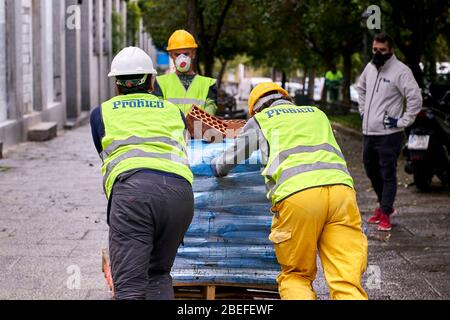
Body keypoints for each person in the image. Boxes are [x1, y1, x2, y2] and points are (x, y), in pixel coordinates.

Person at [211, 82, 368, 300]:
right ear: (287, 98)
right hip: (342, 194)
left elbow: (225, 163)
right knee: (346, 280)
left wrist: (212, 167)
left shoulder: (262, 120)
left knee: (296, 276)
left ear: (256, 108)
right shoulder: (317, 114)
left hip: (298, 196)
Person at [90, 47, 194, 300]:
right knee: (158, 274)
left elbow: (104, 151)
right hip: (180, 196)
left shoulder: (101, 114)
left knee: (130, 287)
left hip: (134, 196)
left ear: (116, 84)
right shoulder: (173, 111)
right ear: (151, 81)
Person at [357, 33, 422, 231]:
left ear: (391, 50)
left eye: (382, 50)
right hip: (369, 132)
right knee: (370, 170)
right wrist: (363, 111)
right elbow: (361, 89)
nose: (377, 53)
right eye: (375, 49)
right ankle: (385, 205)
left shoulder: (401, 71)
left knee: (387, 174)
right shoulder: (369, 67)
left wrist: (403, 121)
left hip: (389, 134)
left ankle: (385, 213)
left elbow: (415, 98)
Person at [153, 29, 218, 115]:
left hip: (198, 128)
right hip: (173, 129)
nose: (182, 59)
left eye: (186, 54)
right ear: (171, 55)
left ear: (193, 54)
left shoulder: (209, 84)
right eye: (177, 54)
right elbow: (158, 114)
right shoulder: (160, 83)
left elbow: (209, 115)